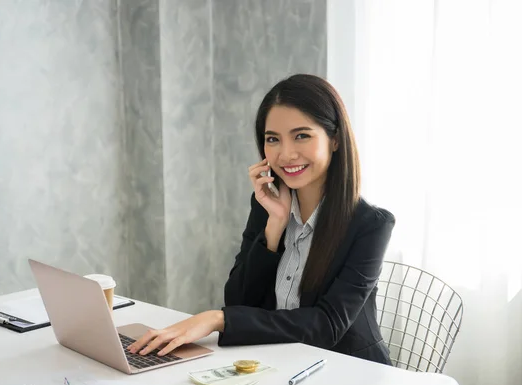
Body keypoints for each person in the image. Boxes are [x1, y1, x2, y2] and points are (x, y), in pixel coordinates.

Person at [127, 74, 395, 365]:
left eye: (301, 135)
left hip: (350, 374)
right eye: (273, 139)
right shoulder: (267, 204)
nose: (286, 154)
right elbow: (240, 301)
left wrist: (218, 319)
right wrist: (275, 226)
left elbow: (327, 325)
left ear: (335, 140)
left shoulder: (371, 225)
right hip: (278, 363)